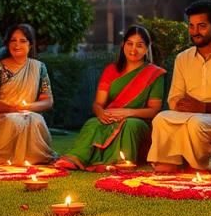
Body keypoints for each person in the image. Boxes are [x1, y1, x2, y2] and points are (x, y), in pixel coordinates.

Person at [148, 0, 211, 172]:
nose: (195, 32)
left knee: (196, 123)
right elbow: (174, 97)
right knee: (161, 119)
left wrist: (204, 107)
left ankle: (201, 168)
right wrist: (182, 105)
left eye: (201, 26)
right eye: (191, 26)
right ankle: (167, 166)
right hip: (189, 115)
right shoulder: (183, 59)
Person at [56, 25, 166, 171]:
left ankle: (120, 162)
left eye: (139, 45)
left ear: (147, 48)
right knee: (93, 123)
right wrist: (101, 113)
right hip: (111, 116)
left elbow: (154, 110)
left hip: (139, 122)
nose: (134, 49)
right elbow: (98, 103)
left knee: (129, 125)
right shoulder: (111, 70)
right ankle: (76, 158)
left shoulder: (155, 74)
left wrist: (127, 113)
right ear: (123, 45)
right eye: (130, 44)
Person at [0, 23, 56, 165]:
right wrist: (12, 108)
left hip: (27, 112)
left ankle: (35, 158)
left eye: (22, 41)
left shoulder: (39, 68)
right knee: (14, 120)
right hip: (0, 115)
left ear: (31, 44)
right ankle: (5, 158)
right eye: (13, 40)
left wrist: (28, 106)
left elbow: (48, 100)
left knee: (36, 119)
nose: (17, 45)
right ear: (8, 44)